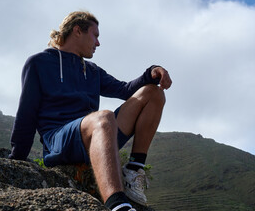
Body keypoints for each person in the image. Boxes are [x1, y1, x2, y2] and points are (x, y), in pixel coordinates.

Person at [9, 11, 172, 211]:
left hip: (96, 136)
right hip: (60, 140)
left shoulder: (92, 70)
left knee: (152, 93)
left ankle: (134, 169)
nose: (98, 43)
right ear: (78, 31)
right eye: (95, 35)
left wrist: (152, 72)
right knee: (103, 118)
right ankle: (118, 204)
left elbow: (125, 90)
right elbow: (27, 113)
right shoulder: (39, 63)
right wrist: (16, 161)